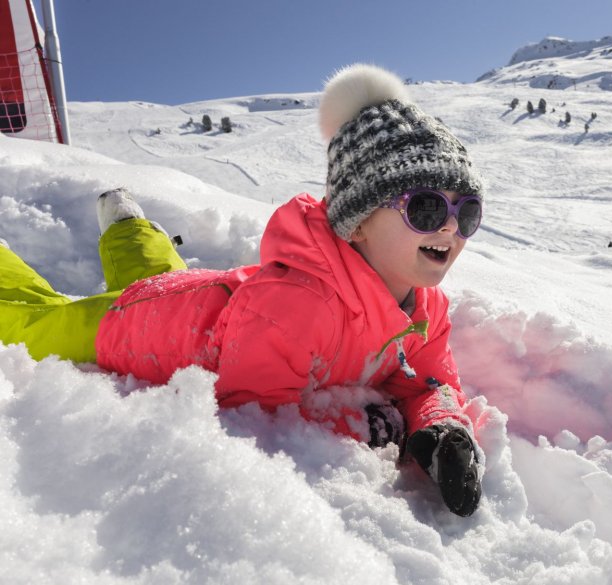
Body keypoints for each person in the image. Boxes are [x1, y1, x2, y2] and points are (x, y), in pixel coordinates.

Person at [0, 64, 485, 516]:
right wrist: (370, 427)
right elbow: (258, 416)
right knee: (33, 323)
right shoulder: (299, 305)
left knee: (157, 279)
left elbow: (428, 384)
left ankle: (129, 226)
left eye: (465, 213)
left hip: (201, 300)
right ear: (356, 224)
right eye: (424, 208)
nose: (448, 228)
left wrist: (441, 429)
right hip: (136, 326)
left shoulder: (427, 308)